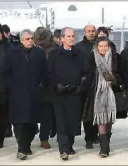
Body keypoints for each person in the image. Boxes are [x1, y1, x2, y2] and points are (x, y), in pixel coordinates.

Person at [47, 27, 90, 160]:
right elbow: (49, 73)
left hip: (75, 93)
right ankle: (63, 149)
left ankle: (69, 145)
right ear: (62, 39)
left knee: (73, 121)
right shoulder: (54, 54)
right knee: (61, 122)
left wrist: (80, 87)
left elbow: (87, 73)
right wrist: (56, 85)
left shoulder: (81, 54)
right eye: (68, 36)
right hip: (59, 94)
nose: (71, 38)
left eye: (73, 36)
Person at [3, 29, 47, 160]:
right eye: (27, 39)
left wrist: (41, 84)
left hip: (34, 92)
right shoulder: (12, 53)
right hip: (17, 93)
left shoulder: (39, 53)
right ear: (22, 40)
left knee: (32, 124)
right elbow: (6, 71)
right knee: (19, 122)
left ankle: (26, 144)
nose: (30, 41)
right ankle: (21, 149)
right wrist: (12, 85)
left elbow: (44, 71)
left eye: (32, 38)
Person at [84, 36, 124, 157]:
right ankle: (104, 148)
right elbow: (87, 74)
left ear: (109, 47)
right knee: (101, 119)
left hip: (112, 91)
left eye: (105, 46)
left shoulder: (115, 57)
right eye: (101, 46)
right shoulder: (91, 57)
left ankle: (107, 140)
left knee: (109, 120)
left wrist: (113, 78)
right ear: (96, 47)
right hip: (97, 92)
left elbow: (122, 75)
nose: (103, 48)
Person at [75, 24, 99, 149]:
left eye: (92, 31)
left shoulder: (101, 45)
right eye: (88, 31)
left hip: (99, 83)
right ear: (84, 33)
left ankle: (95, 135)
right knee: (87, 112)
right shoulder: (78, 47)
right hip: (85, 84)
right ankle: (89, 138)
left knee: (97, 111)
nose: (90, 33)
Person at [33, 27, 56, 149]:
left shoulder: (55, 49)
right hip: (41, 86)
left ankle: (49, 133)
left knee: (53, 114)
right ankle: (44, 137)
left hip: (54, 85)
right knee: (45, 114)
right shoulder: (35, 50)